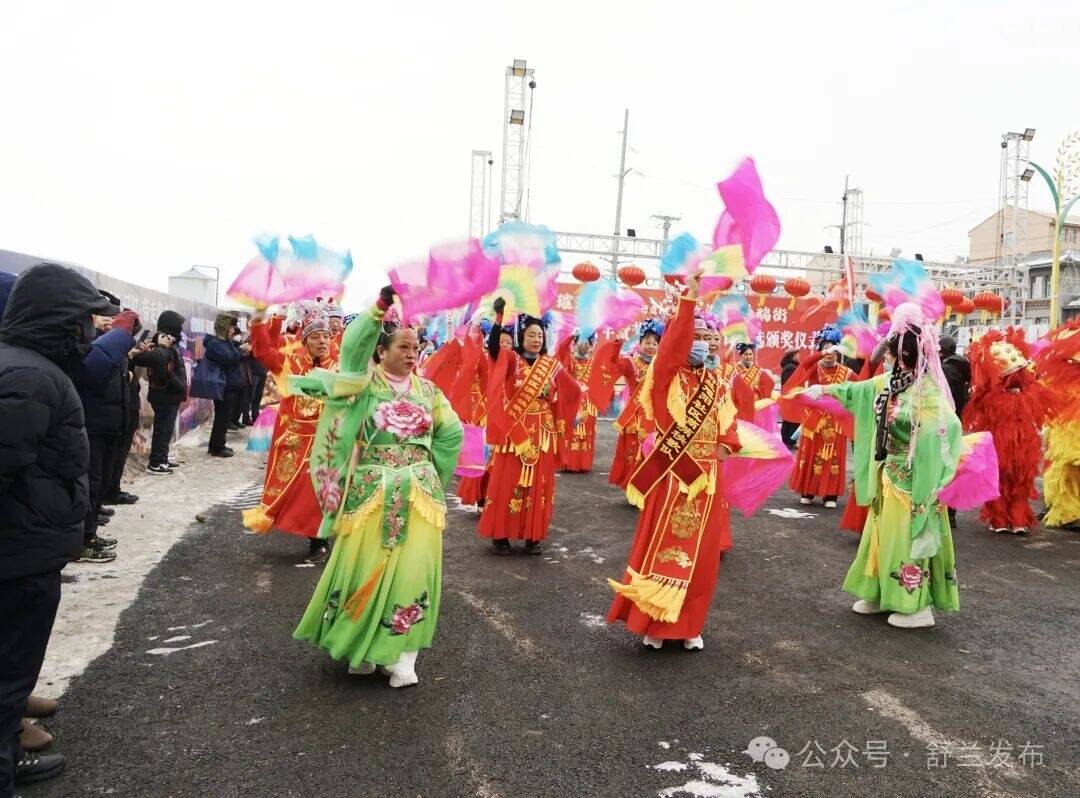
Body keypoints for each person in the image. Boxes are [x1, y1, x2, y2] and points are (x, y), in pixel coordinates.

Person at [292, 286, 463, 687]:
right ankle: (361, 648)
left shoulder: (429, 391)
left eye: (416, 347)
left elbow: (452, 433)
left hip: (419, 496)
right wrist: (378, 309)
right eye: (403, 346)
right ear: (380, 350)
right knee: (363, 567)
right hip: (372, 493)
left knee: (414, 571)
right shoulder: (363, 384)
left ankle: (402, 657)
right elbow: (352, 347)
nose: (411, 353)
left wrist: (430, 470)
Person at [0, 263, 121, 792]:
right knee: (8, 671)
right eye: (85, 322)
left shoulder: (32, 370)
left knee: (12, 669)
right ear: (60, 322)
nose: (91, 333)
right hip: (17, 555)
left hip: (27, 548)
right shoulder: (30, 378)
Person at [607, 271, 741, 651]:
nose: (701, 344)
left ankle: (689, 625)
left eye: (707, 338)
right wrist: (689, 300)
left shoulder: (716, 382)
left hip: (707, 478)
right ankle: (654, 621)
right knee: (662, 550)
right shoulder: (667, 375)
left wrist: (727, 444)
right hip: (673, 475)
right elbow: (670, 347)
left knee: (702, 557)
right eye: (694, 337)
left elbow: (728, 422)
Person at [814, 303, 962, 629]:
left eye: (892, 355)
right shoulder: (894, 383)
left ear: (905, 357)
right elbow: (860, 390)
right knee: (880, 537)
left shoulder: (925, 393)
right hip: (889, 476)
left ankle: (915, 605)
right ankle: (881, 593)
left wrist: (923, 460)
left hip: (914, 483)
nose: (887, 360)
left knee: (905, 540)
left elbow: (948, 427)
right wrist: (824, 389)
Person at [477, 300, 582, 555]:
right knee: (507, 482)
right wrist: (500, 318)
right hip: (515, 432)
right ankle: (501, 536)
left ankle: (533, 537)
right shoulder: (511, 359)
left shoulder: (552, 365)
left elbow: (573, 390)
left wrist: (570, 411)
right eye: (531, 335)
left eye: (540, 335)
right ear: (521, 337)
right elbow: (494, 349)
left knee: (539, 485)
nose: (536, 339)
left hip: (543, 434)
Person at [243, 304, 339, 562]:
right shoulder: (290, 363)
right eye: (315, 337)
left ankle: (319, 540)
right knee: (291, 490)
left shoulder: (339, 366)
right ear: (304, 341)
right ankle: (310, 533)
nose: (322, 341)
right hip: (295, 438)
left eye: (326, 336)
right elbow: (263, 351)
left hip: (329, 440)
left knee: (320, 489)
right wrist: (263, 321)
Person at [963, 329, 1050, 535]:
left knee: (998, 480)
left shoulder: (991, 398)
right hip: (1024, 447)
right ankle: (1018, 521)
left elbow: (978, 411)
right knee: (1019, 481)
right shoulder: (1029, 395)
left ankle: (999, 520)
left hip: (998, 446)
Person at [73, 309, 137, 562]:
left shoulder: (109, 353)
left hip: (110, 426)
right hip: (95, 426)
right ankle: (83, 541)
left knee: (99, 482)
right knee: (90, 483)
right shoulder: (93, 350)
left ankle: (90, 535)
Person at [783, 325, 854, 508]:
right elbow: (804, 364)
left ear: (838, 351)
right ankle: (808, 491)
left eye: (832, 348)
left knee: (833, 459)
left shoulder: (846, 372)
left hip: (835, 425)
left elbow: (861, 387)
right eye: (825, 348)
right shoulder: (814, 368)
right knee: (811, 456)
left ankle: (830, 495)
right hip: (813, 423)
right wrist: (823, 353)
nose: (829, 353)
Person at [591, 320, 663, 491]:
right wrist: (618, 343)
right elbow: (611, 364)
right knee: (633, 451)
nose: (651, 347)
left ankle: (649, 488)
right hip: (635, 417)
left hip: (655, 416)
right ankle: (632, 487)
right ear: (640, 343)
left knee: (652, 451)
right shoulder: (631, 363)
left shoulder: (661, 365)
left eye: (655, 343)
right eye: (647, 342)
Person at [1036, 319, 1080, 531]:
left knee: (1068, 470)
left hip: (1068, 434)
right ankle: (1062, 510)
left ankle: (1068, 512)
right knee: (1060, 469)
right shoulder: (1057, 380)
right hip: (1062, 433)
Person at [131, 311, 187, 474]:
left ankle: (162, 458)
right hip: (164, 394)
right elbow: (160, 366)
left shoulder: (170, 343)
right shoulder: (161, 344)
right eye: (178, 326)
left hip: (170, 394)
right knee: (162, 430)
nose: (181, 330)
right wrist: (177, 385)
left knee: (166, 430)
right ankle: (156, 462)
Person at [102, 311, 146, 506]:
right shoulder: (102, 347)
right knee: (110, 456)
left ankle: (112, 489)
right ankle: (106, 493)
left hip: (125, 407)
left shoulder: (121, 350)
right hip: (112, 411)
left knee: (118, 454)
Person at [202, 312, 245, 458]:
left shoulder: (225, 342)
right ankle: (217, 447)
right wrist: (241, 350)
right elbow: (229, 358)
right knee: (222, 416)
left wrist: (238, 350)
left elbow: (233, 356)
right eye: (231, 328)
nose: (233, 330)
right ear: (224, 328)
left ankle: (218, 443)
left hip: (230, 384)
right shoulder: (214, 344)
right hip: (223, 385)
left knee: (225, 416)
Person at [557, 332, 598, 473]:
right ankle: (569, 462)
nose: (584, 345)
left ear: (590, 345)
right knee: (571, 431)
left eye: (587, 343)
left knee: (585, 434)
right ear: (575, 343)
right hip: (572, 401)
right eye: (581, 342)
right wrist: (570, 337)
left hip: (589, 404)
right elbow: (561, 351)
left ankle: (583, 463)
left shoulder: (594, 363)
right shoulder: (570, 360)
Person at [779, 349, 800, 448]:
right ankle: (789, 441)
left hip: (789, 397)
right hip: (791, 397)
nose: (799, 356)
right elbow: (790, 384)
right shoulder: (791, 368)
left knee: (788, 420)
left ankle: (787, 441)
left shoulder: (789, 366)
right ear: (793, 356)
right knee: (792, 420)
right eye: (797, 354)